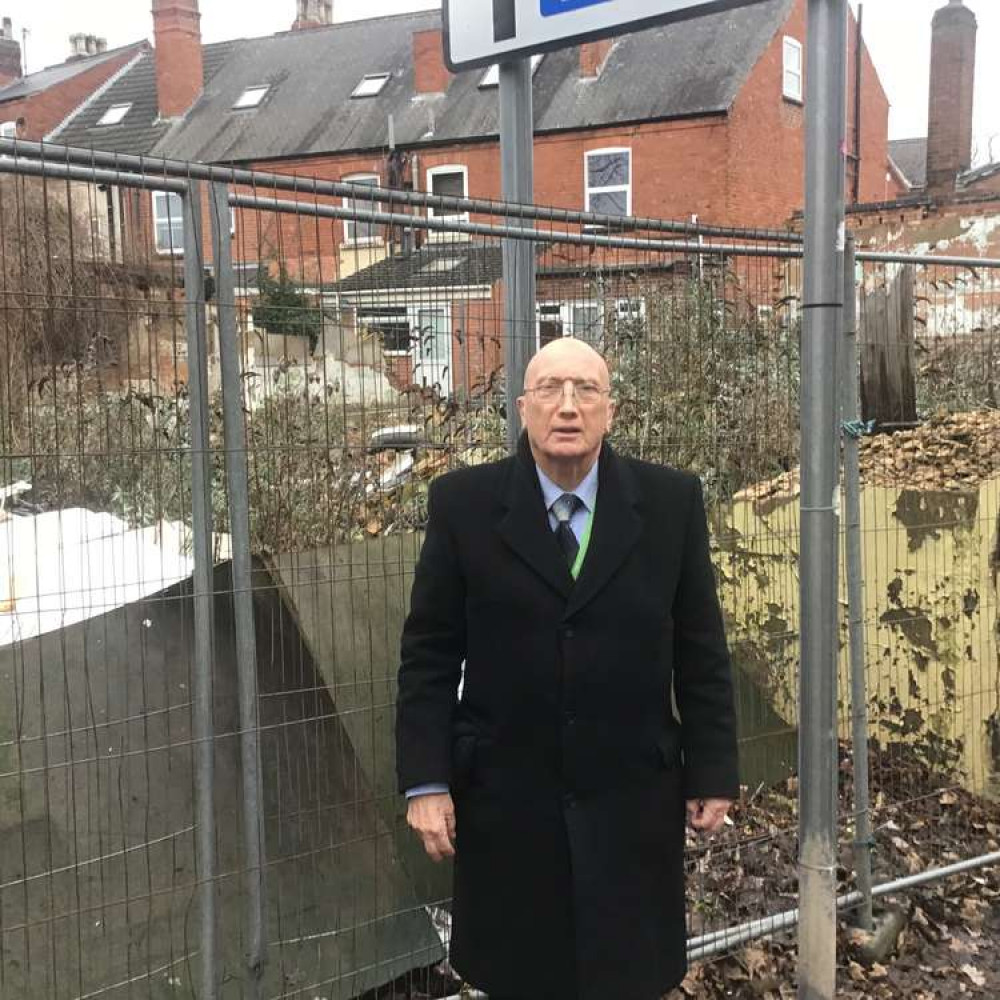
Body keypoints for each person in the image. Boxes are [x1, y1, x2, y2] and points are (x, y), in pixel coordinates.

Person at [395, 337, 739, 1000]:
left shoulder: (670, 505)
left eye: (586, 390)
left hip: (632, 802)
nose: (568, 407)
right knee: (521, 975)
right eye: (550, 389)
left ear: (611, 410)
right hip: (507, 802)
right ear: (523, 408)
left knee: (627, 975)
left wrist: (714, 769)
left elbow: (701, 649)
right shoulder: (463, 507)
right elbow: (430, 655)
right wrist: (425, 781)